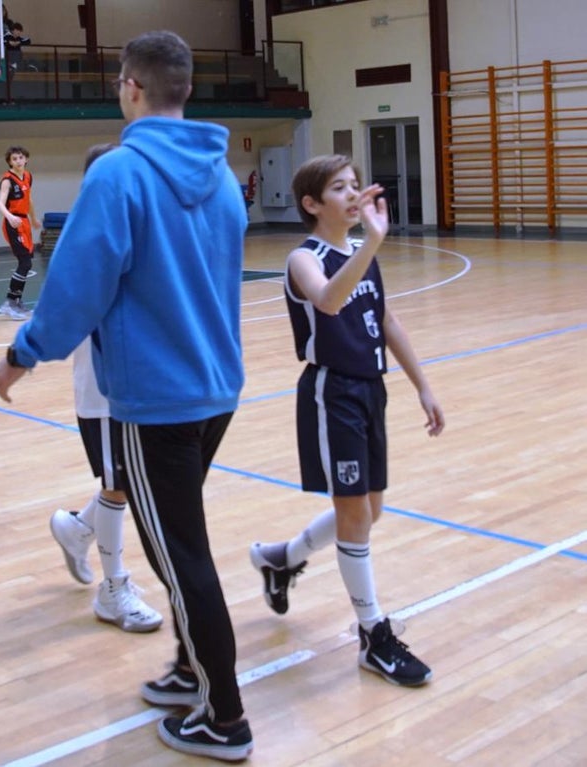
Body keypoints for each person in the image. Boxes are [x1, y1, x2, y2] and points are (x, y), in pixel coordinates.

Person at [0, 31, 252, 761]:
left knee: (180, 557)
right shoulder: (222, 176)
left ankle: (225, 717)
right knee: (178, 540)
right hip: (216, 389)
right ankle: (188, 669)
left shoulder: (117, 174)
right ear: (185, 89)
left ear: (131, 88)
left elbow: (76, 289)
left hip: (155, 402)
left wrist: (21, 353)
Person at [249, 154, 445, 687]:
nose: (354, 195)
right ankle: (373, 636)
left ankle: (282, 558)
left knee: (369, 511)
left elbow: (387, 320)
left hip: (370, 389)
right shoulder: (303, 258)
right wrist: (373, 245)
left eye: (356, 185)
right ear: (312, 204)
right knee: (355, 514)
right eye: (340, 188)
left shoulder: (361, 251)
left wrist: (423, 386)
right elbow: (330, 302)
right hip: (330, 392)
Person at [48, 142, 162, 635]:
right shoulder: (87, 242)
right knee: (120, 486)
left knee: (130, 480)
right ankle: (113, 588)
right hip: (104, 387)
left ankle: (77, 530)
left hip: (141, 384)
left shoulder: (138, 232)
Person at [0, 145, 39, 320]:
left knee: (27, 263)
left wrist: (33, 218)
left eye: (21, 157)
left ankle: (17, 301)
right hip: (13, 223)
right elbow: (0, 204)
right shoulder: (7, 180)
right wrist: (10, 216)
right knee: (25, 262)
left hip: (24, 222)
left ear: (26, 159)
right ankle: (10, 303)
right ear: (10, 162)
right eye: (14, 159)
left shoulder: (28, 176)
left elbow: (29, 200)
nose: (18, 161)